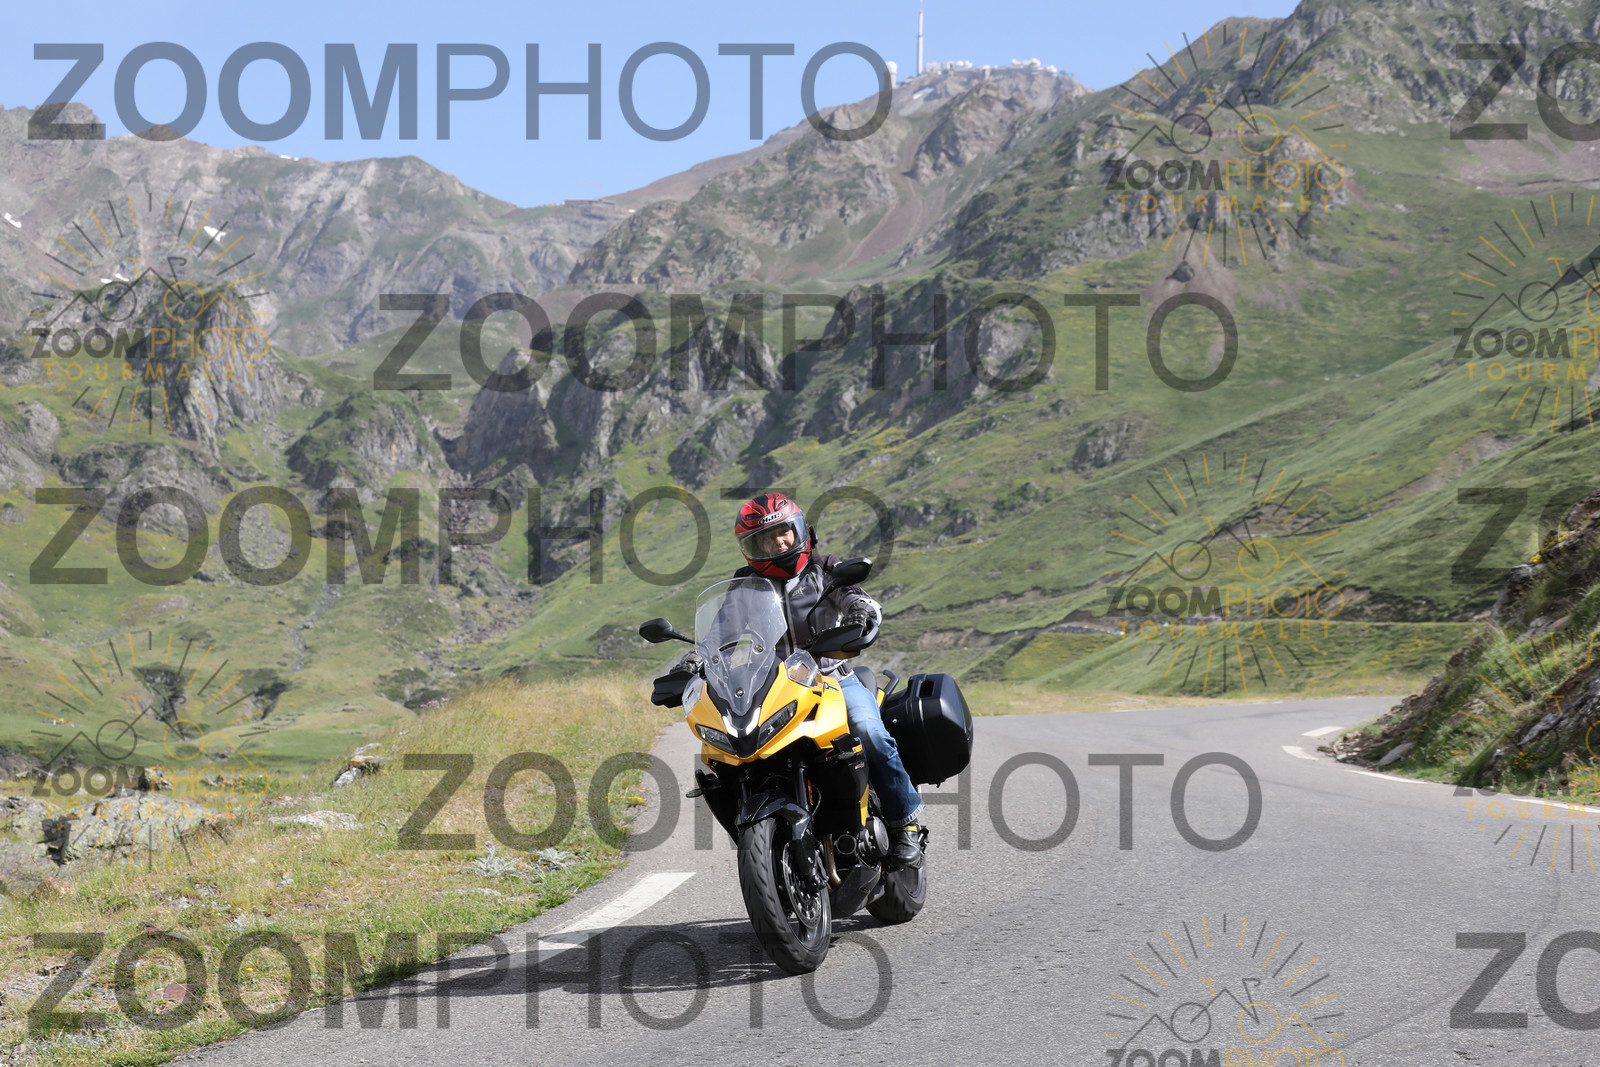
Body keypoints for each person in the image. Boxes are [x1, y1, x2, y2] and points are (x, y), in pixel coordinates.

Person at [675, 492, 923, 868]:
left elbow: (857, 598)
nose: (777, 543)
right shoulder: (746, 585)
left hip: (832, 677)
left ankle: (905, 825)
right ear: (750, 547)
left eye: (783, 533)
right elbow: (720, 633)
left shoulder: (825, 568)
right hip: (777, 686)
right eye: (764, 538)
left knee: (868, 731)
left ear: (799, 531)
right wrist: (695, 660)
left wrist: (859, 615)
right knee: (736, 753)